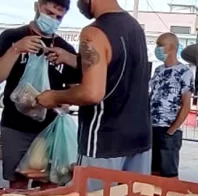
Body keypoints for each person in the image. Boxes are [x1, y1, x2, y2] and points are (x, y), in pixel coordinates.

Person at [35, 0, 151, 183]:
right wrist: (73, 59)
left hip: (104, 140)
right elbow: (115, 67)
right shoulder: (135, 27)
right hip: (140, 139)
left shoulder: (94, 33)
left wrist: (54, 96)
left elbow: (92, 93)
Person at [0, 0, 80, 189]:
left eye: (58, 17)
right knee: (17, 184)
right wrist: (16, 50)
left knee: (49, 184)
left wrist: (62, 101)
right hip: (15, 125)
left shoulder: (65, 50)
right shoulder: (11, 37)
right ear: (38, 6)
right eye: (49, 12)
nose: (52, 19)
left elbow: (74, 91)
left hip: (50, 130)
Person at [149, 32, 194, 178]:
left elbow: (186, 105)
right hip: (151, 127)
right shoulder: (158, 70)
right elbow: (152, 95)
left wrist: (172, 130)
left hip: (168, 129)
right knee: (152, 171)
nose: (157, 49)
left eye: (160, 45)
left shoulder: (184, 72)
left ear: (173, 47)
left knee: (168, 174)